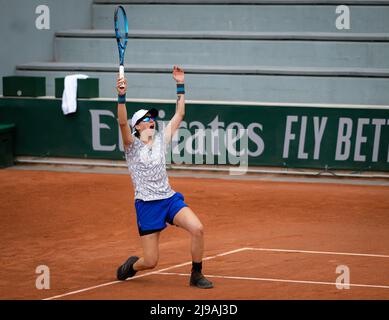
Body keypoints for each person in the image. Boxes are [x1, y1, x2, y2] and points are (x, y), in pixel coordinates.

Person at [115, 66, 213, 289]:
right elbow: (122, 123)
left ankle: (196, 274)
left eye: (153, 118)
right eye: (147, 119)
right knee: (150, 261)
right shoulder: (131, 146)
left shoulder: (160, 140)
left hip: (169, 200)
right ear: (137, 126)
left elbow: (180, 114)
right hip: (147, 205)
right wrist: (121, 96)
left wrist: (180, 84)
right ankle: (131, 267)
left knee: (197, 228)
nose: (152, 121)